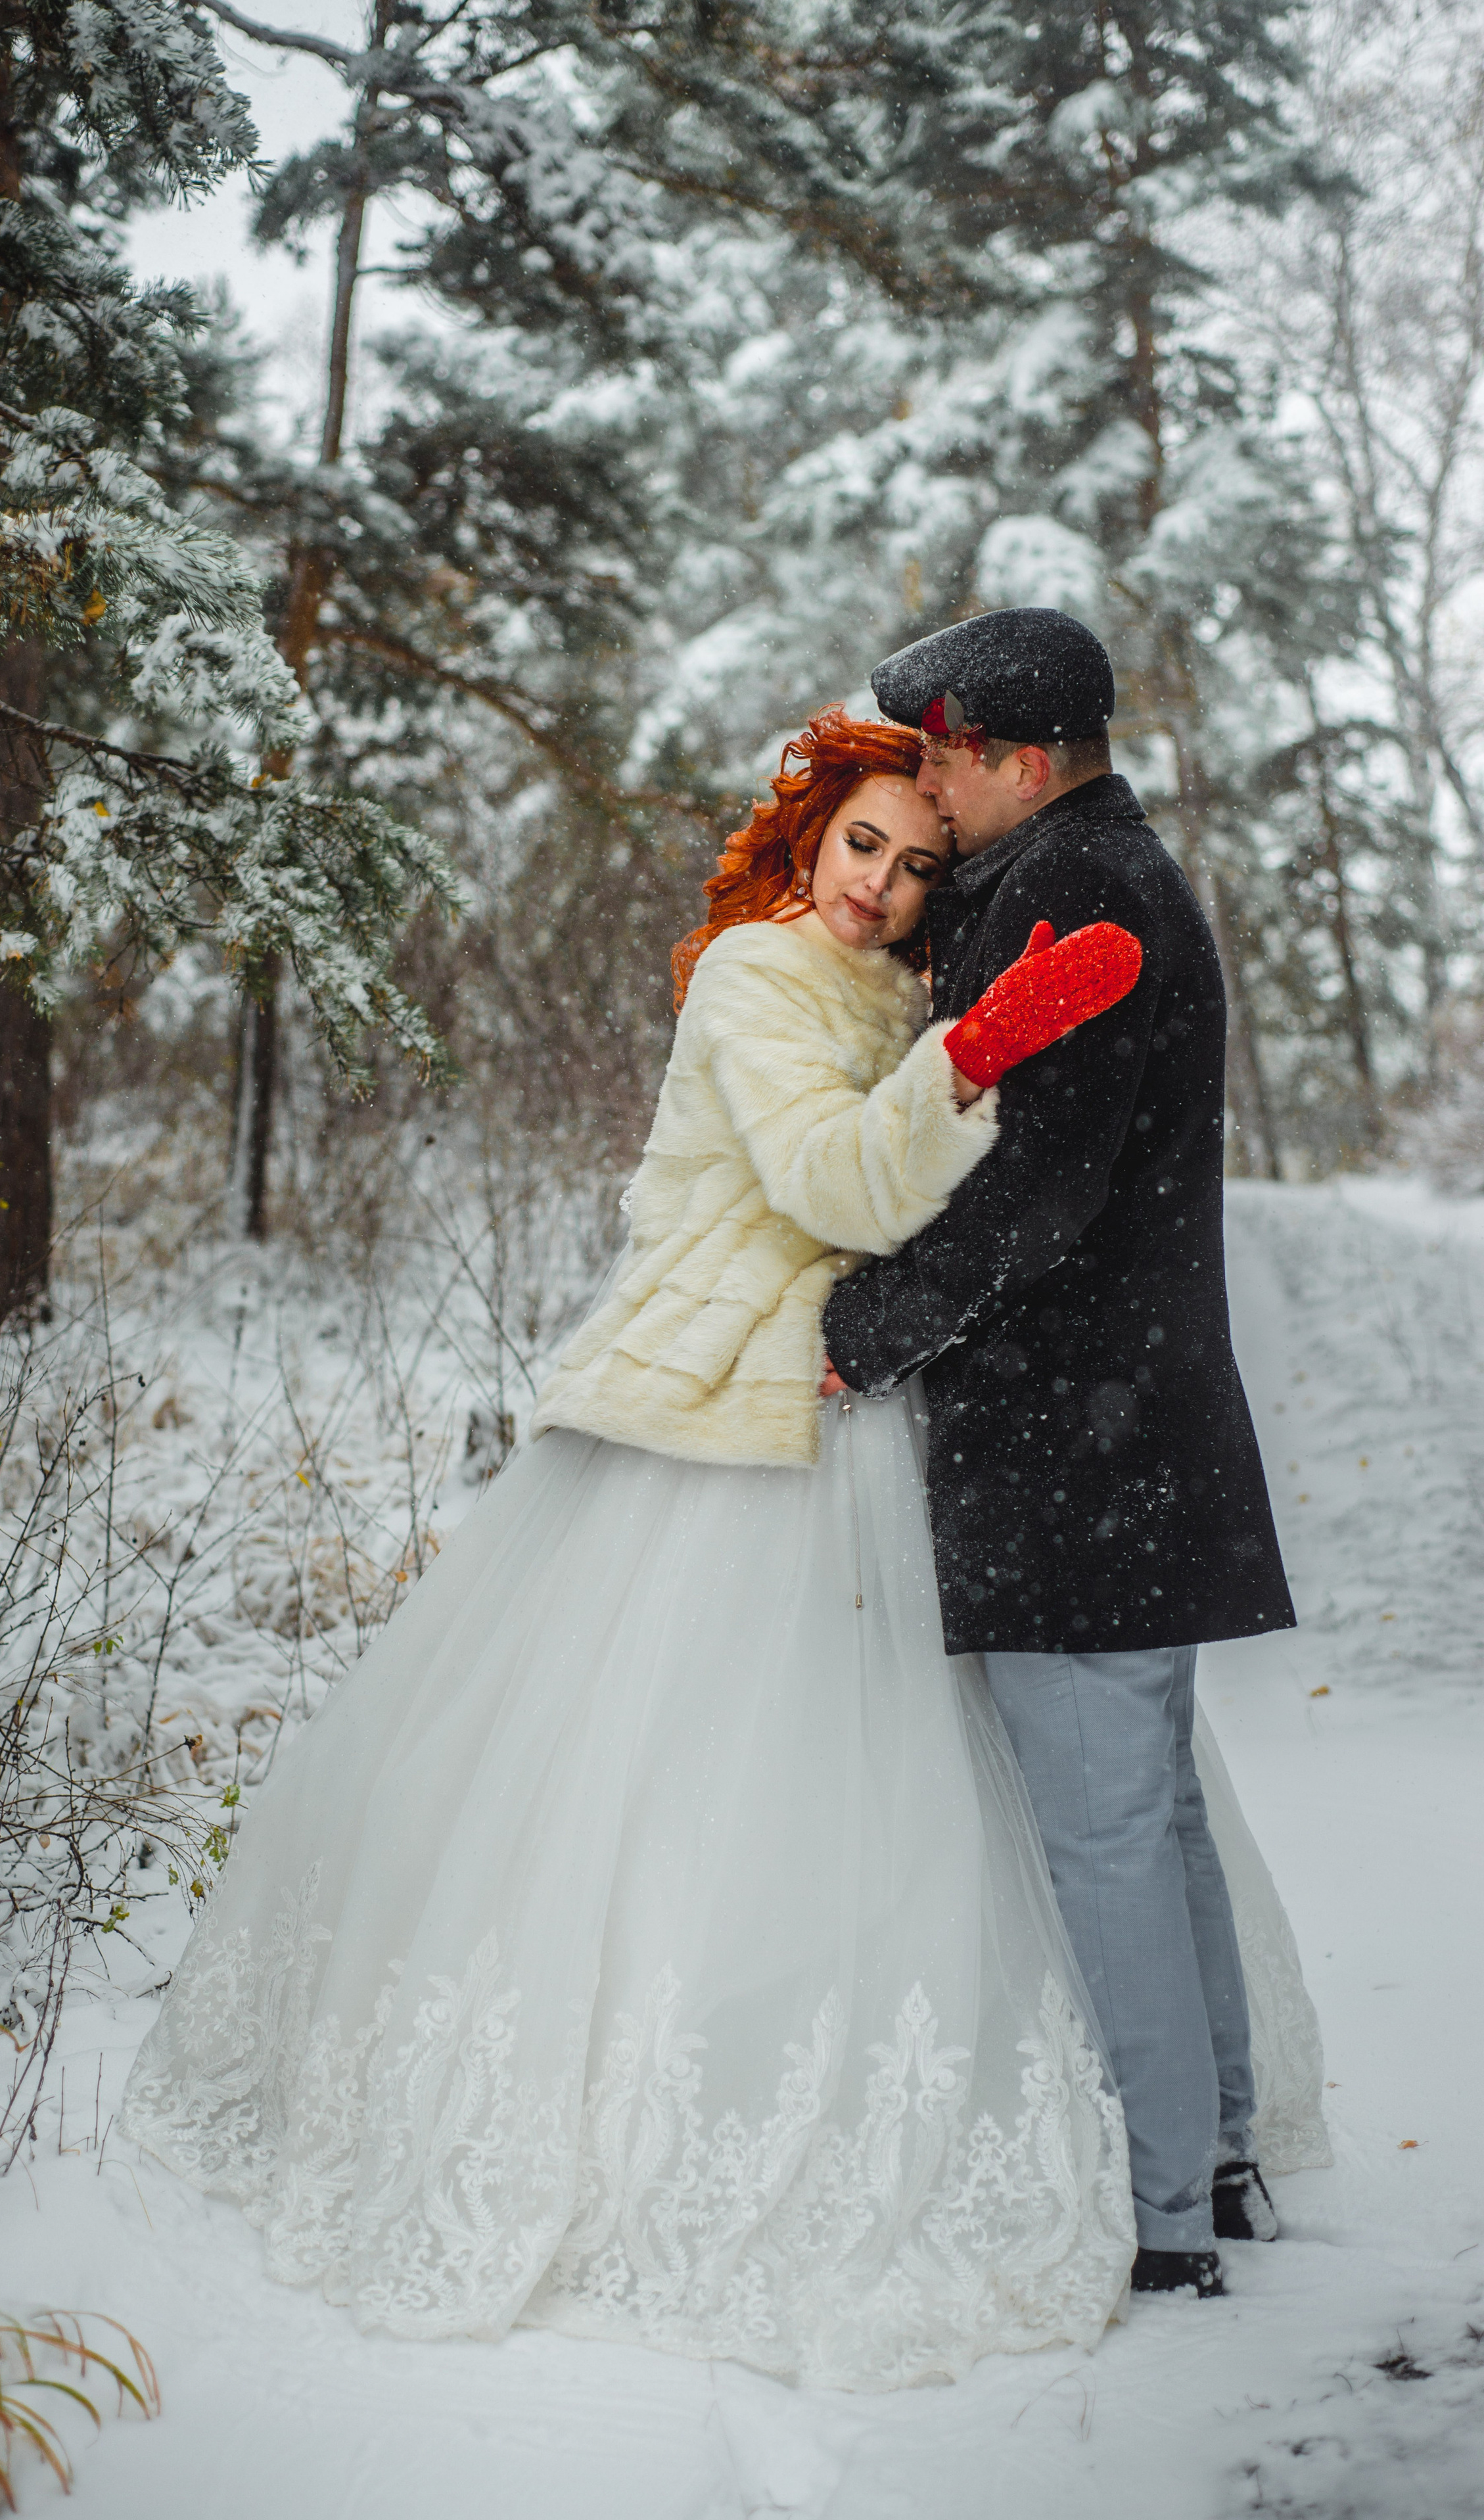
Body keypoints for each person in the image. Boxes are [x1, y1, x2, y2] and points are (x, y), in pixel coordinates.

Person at [122, 707, 1321, 2387]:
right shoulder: (757, 976)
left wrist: (953, 1041)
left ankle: (1172, 2148)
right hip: (732, 1397)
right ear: (804, 834)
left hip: (846, 1394)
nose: (882, 888)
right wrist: (974, 1053)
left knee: (937, 1778)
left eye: (917, 866)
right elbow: (838, 1184)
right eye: (859, 847)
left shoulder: (894, 985)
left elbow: (909, 1182)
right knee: (685, 1763)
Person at [821, 609, 1330, 2301]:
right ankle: (1223, 2161)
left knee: (1109, 1832)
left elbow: (1029, 1193)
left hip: (1075, 1445)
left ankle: (1162, 2216)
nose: (927, 789)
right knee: (1153, 1815)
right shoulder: (1093, 874)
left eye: (945, 760)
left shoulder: (1077, 895)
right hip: (1122, 1438)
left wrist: (859, 1329)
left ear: (1021, 760)